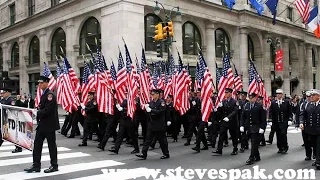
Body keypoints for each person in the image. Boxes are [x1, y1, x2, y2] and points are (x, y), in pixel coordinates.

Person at [24, 76, 59, 173]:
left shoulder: (50, 95)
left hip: (49, 125)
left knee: (51, 146)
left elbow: (48, 110)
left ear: (47, 83)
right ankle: (36, 165)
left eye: (41, 83)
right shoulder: (44, 94)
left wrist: (37, 112)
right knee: (37, 145)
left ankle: (54, 165)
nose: (39, 84)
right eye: (38, 83)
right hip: (42, 125)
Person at [136, 89, 170, 160]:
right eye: (151, 94)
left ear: (157, 94)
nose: (152, 96)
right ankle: (143, 153)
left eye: (153, 94)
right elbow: (148, 114)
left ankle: (166, 153)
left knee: (162, 141)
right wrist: (146, 109)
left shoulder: (162, 102)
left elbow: (160, 112)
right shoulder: (151, 103)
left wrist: (151, 110)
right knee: (147, 140)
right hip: (152, 124)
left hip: (159, 125)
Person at [240, 93, 267, 165]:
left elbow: (263, 118)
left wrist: (262, 127)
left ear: (255, 98)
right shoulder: (246, 105)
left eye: (252, 98)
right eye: (250, 98)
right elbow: (243, 117)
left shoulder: (259, 106)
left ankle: (251, 157)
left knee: (254, 143)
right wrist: (241, 125)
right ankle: (257, 156)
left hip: (256, 127)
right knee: (253, 143)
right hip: (248, 127)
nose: (251, 99)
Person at [213, 88, 239, 156]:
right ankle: (219, 149)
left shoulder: (234, 101)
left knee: (233, 136)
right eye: (225, 93)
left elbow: (235, 111)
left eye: (227, 93)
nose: (225, 94)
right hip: (224, 122)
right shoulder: (223, 101)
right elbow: (221, 112)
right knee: (221, 134)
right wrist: (218, 108)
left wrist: (228, 117)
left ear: (230, 93)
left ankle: (235, 148)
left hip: (232, 121)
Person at [300, 89, 320, 170]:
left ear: (318, 96)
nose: (311, 97)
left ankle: (318, 162)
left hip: (319, 130)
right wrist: (301, 122)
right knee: (314, 145)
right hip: (311, 130)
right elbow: (303, 114)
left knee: (319, 146)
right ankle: (316, 159)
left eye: (313, 95)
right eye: (310, 95)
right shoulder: (308, 105)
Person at [269, 89, 292, 154]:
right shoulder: (273, 103)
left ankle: (285, 147)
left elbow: (289, 111)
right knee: (278, 134)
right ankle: (280, 147)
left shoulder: (286, 102)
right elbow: (271, 112)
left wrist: (290, 119)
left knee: (283, 134)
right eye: (277, 94)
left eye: (280, 94)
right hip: (276, 122)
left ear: (282, 95)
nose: (278, 95)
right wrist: (270, 120)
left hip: (284, 121)